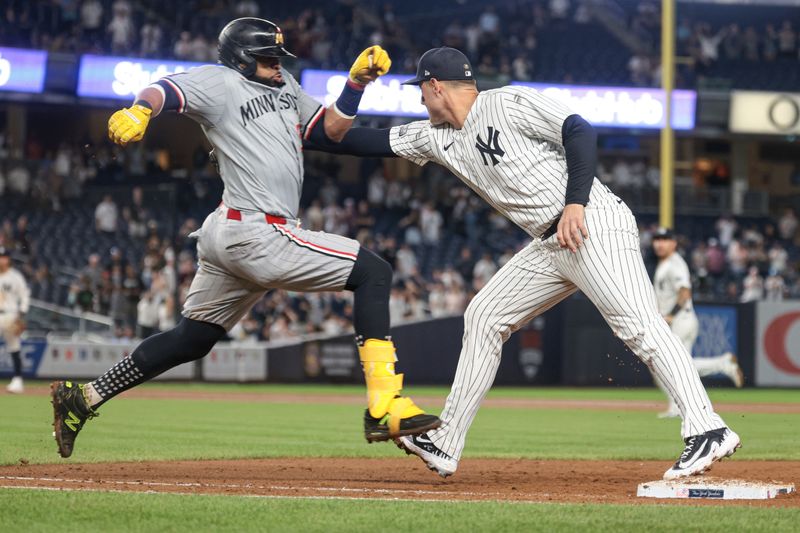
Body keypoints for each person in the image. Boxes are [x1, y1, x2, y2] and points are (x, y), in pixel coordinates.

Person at [307, 47, 740, 481]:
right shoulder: (434, 136)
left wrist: (576, 202)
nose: (419, 99)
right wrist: (354, 87)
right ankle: (445, 441)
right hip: (550, 245)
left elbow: (579, 131)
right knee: (484, 316)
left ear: (436, 85)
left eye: (421, 89)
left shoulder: (507, 102)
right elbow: (341, 140)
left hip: (593, 223)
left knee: (640, 327)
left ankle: (707, 428)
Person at [49, 18, 440, 459]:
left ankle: (84, 398)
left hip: (232, 232)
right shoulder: (220, 82)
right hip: (258, 232)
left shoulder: (285, 86)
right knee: (373, 271)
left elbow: (330, 134)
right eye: (267, 59)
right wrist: (140, 109)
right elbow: (165, 89)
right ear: (239, 59)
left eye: (278, 58)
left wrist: (355, 84)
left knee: (193, 339)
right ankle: (384, 404)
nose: (277, 65)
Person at [650, 228, 743, 419]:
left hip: (680, 320)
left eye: (665, 239)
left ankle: (723, 364)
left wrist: (670, 316)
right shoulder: (664, 264)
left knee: (673, 364)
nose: (660, 243)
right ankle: (677, 405)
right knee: (666, 364)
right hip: (675, 320)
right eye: (657, 239)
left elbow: (685, 292)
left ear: (673, 243)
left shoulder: (675, 263)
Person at [0, 247, 30, 394]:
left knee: (14, 346)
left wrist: (22, 312)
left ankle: (18, 380)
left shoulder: (15, 276)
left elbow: (24, 293)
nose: (2, 259)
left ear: (8, 259)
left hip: (10, 315)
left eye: (4, 257)